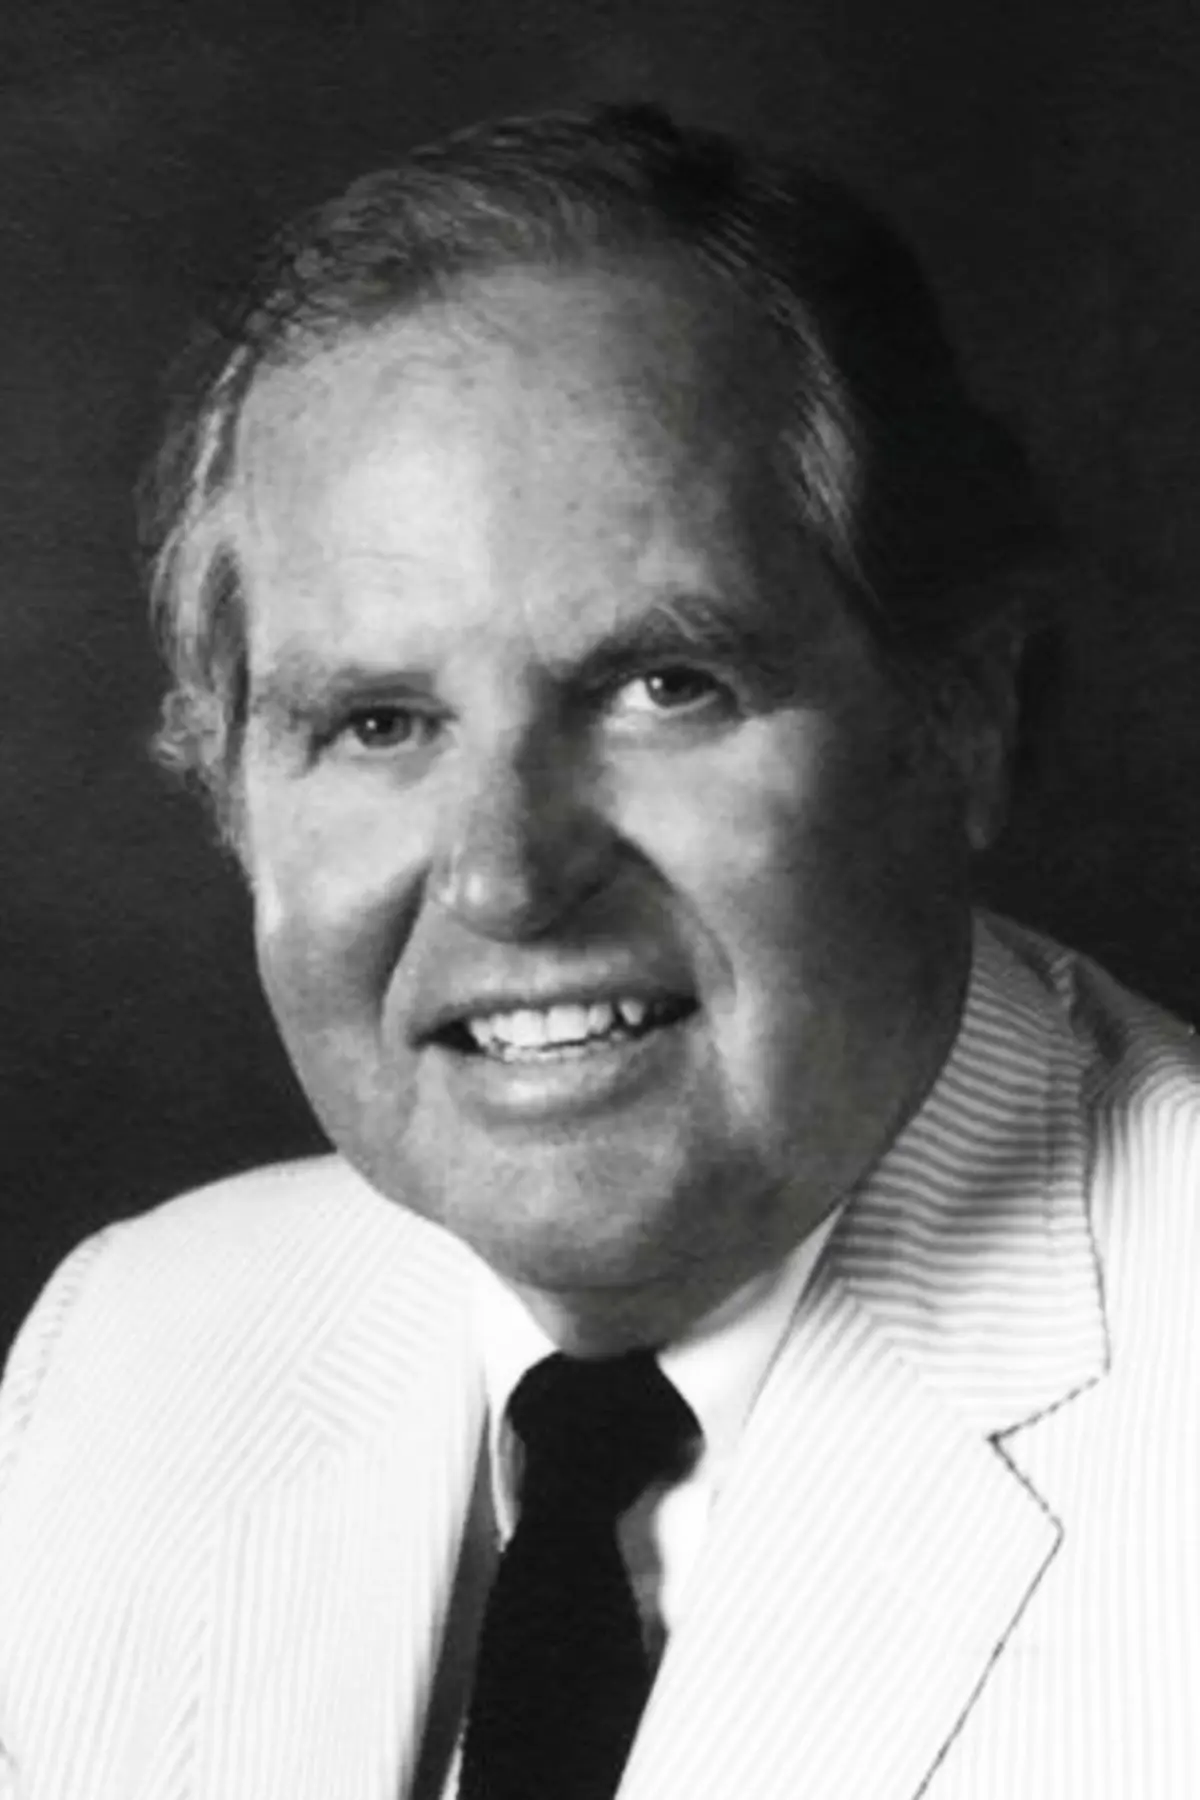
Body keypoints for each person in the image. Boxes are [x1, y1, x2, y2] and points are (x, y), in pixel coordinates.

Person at [0, 102, 1197, 1800]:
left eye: (661, 686)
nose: (504, 878)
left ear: (963, 717)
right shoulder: (129, 1354)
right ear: (232, 791)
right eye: (378, 721)